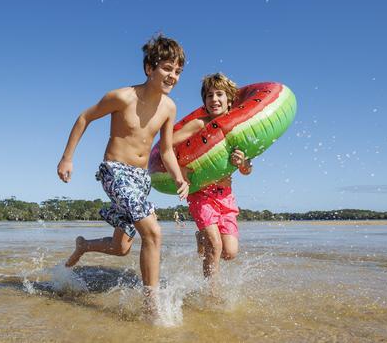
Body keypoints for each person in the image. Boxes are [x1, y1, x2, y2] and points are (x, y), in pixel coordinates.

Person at [56, 34, 189, 317]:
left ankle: (83, 246)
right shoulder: (121, 96)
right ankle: (151, 306)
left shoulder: (169, 107)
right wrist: (67, 157)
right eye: (167, 68)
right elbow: (84, 117)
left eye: (178, 71)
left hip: (140, 180)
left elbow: (166, 151)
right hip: (115, 172)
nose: (173, 76)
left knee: (122, 248)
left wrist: (179, 177)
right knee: (153, 232)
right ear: (149, 68)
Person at [172, 73, 253, 287]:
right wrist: (182, 171)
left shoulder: (238, 127)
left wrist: (243, 162)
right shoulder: (199, 124)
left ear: (229, 99)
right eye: (209, 95)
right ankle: (212, 294)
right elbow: (168, 144)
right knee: (215, 245)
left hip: (225, 196)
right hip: (201, 193)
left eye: (219, 95)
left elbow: (247, 170)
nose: (214, 99)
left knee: (230, 252)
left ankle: (201, 237)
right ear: (204, 101)